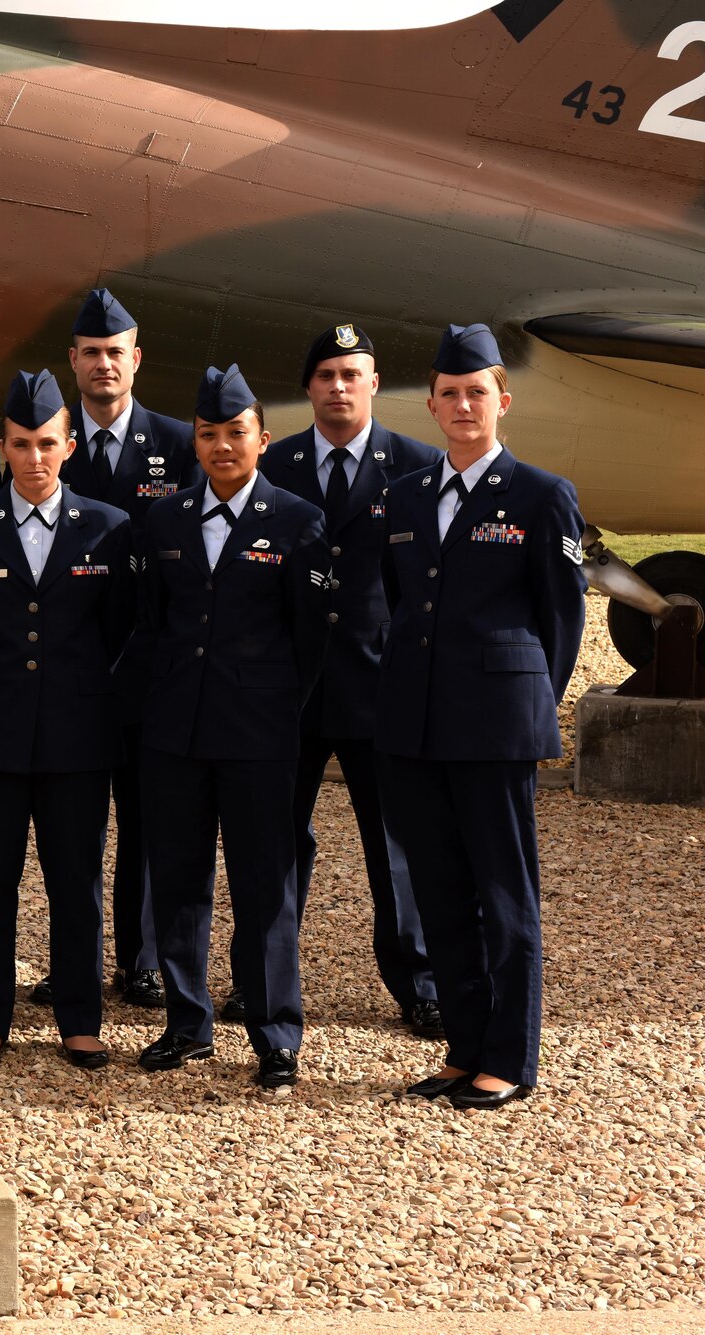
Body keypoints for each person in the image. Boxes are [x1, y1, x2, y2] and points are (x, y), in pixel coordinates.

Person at [375, 323, 585, 1110]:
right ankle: (464, 1046)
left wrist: (526, 699)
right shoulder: (402, 498)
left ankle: (511, 1056)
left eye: (478, 391)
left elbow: (560, 621)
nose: (464, 404)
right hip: (417, 724)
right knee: (439, 891)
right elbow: (405, 608)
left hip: (494, 725)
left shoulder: (540, 494)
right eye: (450, 393)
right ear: (431, 404)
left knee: (504, 893)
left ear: (503, 399)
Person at [135, 365, 330, 1089]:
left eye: (236, 433)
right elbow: (152, 626)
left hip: (258, 735)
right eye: (210, 433)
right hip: (176, 732)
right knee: (179, 880)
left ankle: (277, 1034)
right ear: (195, 439)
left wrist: (274, 707)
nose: (222, 446)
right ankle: (187, 1024)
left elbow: (310, 641)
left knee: (264, 886)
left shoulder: (299, 522)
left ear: (262, 439)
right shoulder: (166, 519)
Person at [0, 370, 134, 1071]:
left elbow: (118, 635)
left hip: (77, 738)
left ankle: (80, 1018)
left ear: (69, 445)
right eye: (21, 444)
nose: (35, 457)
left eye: (48, 443)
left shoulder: (109, 531)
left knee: (75, 880)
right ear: (2, 447)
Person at [260, 323, 442, 1038]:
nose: (339, 385)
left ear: (374, 384)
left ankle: (419, 980)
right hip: (290, 693)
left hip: (379, 687)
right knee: (275, 841)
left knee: (395, 846)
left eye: (353, 373)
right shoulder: (275, 467)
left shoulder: (417, 466)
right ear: (308, 387)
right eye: (326, 374)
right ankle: (266, 982)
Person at [46, 287, 197, 1012]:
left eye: (116, 352)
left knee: (143, 821)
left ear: (136, 360)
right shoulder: (51, 439)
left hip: (146, 664)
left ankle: (138, 959)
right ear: (72, 361)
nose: (103, 364)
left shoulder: (174, 445)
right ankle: (71, 960)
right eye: (91, 353)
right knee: (71, 827)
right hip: (67, 665)